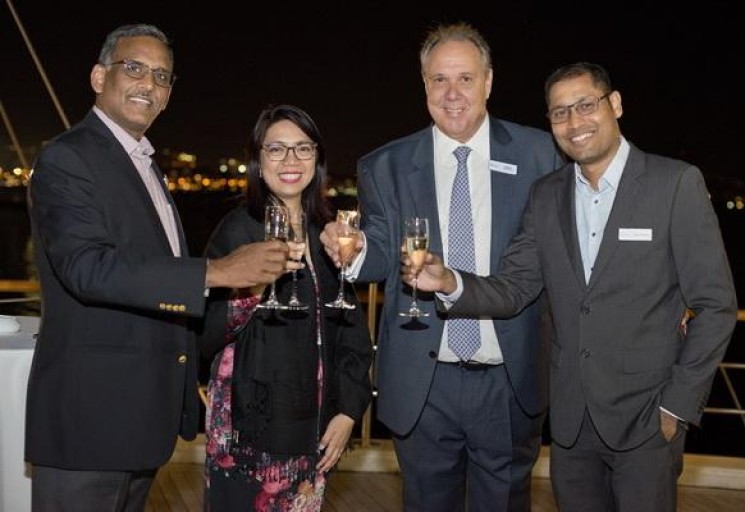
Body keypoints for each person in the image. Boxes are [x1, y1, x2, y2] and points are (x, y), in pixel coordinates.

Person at [405, 61, 738, 512]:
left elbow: (716, 305)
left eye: (585, 105)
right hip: (570, 423)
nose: (574, 122)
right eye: (559, 113)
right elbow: (516, 288)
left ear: (614, 104)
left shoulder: (674, 183)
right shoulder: (546, 195)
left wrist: (677, 406)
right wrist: (449, 282)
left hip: (647, 420)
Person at [25, 24, 292, 511]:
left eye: (163, 76)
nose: (149, 84)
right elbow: (87, 269)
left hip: (138, 421)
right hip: (89, 423)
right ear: (98, 76)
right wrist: (215, 272)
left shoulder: (144, 165)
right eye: (135, 68)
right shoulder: (68, 158)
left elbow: (151, 287)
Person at [320, 21, 562, 510]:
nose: (452, 94)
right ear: (424, 84)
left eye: (466, 79)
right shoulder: (384, 165)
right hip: (423, 383)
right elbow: (382, 252)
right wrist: (354, 250)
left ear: (489, 81)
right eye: (438, 80)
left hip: (509, 378)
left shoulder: (544, 155)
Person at [196, 104, 373, 511]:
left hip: (314, 428)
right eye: (276, 149)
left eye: (303, 149)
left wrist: (348, 412)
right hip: (249, 432)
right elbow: (204, 334)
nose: (291, 160)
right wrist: (253, 287)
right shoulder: (238, 230)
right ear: (258, 161)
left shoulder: (327, 236)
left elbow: (351, 332)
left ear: (318, 159)